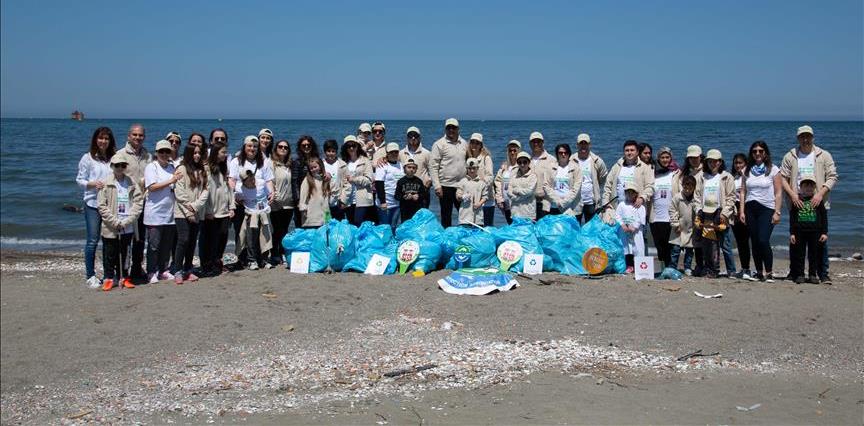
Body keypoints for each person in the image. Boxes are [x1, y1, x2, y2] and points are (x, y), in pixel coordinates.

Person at [779, 125, 838, 284]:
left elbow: (832, 176)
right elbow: (782, 178)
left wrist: (820, 194)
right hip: (797, 203)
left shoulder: (823, 155)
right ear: (798, 138)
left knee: (819, 242)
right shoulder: (790, 156)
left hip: (818, 203)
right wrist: (792, 195)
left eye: (808, 136)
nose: (805, 139)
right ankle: (794, 272)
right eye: (802, 137)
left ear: (813, 137)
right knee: (795, 242)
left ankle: (822, 273)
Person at [76, 126, 116, 288]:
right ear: (95, 140)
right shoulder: (87, 158)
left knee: (109, 240)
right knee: (92, 240)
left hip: (109, 204)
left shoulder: (114, 157)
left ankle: (108, 275)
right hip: (92, 203)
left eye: (106, 138)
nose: (103, 141)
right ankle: (90, 275)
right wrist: (92, 184)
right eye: (100, 138)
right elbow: (80, 180)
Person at [96, 154, 143, 291]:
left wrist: (128, 220)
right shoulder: (105, 183)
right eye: (117, 165)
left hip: (127, 225)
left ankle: (125, 277)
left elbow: (138, 202)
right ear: (112, 166)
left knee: (125, 253)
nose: (120, 168)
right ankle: (109, 278)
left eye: (123, 165)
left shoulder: (131, 182)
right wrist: (114, 221)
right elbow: (101, 205)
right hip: (111, 226)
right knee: (110, 253)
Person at [739, 141, 782, 283]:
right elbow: (743, 192)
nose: (757, 153)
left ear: (765, 153)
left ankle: (769, 272)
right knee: (755, 242)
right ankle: (759, 272)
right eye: (754, 151)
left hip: (767, 209)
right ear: (751, 154)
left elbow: (778, 192)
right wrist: (742, 211)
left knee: (763, 240)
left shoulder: (773, 169)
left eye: (760, 151)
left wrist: (777, 212)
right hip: (750, 208)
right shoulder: (746, 170)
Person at [229, 135, 275, 268]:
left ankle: (264, 259)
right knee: (248, 234)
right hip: (245, 204)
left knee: (264, 232)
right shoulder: (236, 162)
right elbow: (232, 180)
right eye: (249, 146)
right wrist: (233, 197)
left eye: (255, 146)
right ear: (244, 147)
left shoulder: (264, 162)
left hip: (262, 204)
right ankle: (249, 259)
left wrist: (271, 193)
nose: (252, 148)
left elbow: (268, 180)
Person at [114, 124, 151, 278]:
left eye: (140, 135)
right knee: (124, 239)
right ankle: (122, 271)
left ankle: (137, 267)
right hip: (126, 203)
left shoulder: (147, 155)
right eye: (135, 135)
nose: (137, 138)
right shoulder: (121, 154)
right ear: (129, 136)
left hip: (143, 202)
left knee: (140, 238)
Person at [694, 149, 735, 278]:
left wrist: (725, 214)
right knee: (709, 245)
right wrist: (698, 211)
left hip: (721, 214)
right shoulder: (702, 177)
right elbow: (697, 196)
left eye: (716, 161)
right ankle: (712, 270)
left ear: (720, 162)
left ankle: (731, 270)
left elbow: (731, 198)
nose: (713, 163)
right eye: (710, 161)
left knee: (725, 244)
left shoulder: (726, 177)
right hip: (706, 214)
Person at [171, 144, 209, 284]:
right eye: (194, 153)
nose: (197, 156)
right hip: (181, 212)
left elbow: (206, 190)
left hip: (196, 211)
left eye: (199, 153)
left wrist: (195, 207)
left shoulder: (203, 169)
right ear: (188, 154)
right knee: (184, 239)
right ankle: (177, 270)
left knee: (192, 241)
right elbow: (179, 193)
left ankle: (188, 269)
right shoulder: (181, 169)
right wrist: (188, 212)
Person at [144, 139, 181, 283]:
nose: (164, 154)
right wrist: (172, 181)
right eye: (161, 152)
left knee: (166, 245)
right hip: (154, 213)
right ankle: (151, 271)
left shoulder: (172, 167)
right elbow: (152, 187)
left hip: (170, 213)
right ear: (156, 153)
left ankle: (163, 270)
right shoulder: (151, 167)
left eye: (167, 151)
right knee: (154, 245)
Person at [200, 142, 234, 276]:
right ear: (215, 153)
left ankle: (217, 261)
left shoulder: (224, 168)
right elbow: (205, 191)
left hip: (224, 210)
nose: (225, 155)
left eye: (226, 152)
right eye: (223, 152)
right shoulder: (207, 169)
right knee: (210, 239)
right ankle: (207, 264)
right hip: (211, 211)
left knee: (222, 237)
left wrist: (232, 206)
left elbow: (228, 189)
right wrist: (207, 210)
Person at [788, 175, 829, 284]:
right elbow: (792, 217)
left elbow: (824, 216)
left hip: (815, 232)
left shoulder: (817, 201)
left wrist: (824, 232)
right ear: (800, 187)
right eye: (805, 185)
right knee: (799, 254)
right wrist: (792, 233)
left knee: (814, 254)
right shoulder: (797, 200)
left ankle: (812, 274)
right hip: (799, 232)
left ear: (814, 188)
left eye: (811, 186)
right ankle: (800, 274)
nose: (808, 188)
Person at [429, 118, 468, 227]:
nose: (451, 130)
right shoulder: (439, 144)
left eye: (453, 127)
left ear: (458, 129)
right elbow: (433, 166)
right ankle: (447, 238)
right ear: (445, 129)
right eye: (448, 127)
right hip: (445, 186)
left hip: (462, 186)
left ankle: (464, 237)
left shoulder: (464, 143)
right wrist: (437, 186)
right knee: (446, 216)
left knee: (465, 215)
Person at [235, 167, 273, 270]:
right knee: (251, 238)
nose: (252, 181)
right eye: (249, 180)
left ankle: (264, 260)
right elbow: (237, 199)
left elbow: (268, 194)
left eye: (253, 178)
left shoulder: (261, 182)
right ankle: (252, 261)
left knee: (265, 237)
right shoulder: (240, 189)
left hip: (263, 213)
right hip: (251, 214)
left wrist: (270, 199)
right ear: (244, 181)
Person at [602, 140, 655, 212]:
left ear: (637, 152)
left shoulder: (644, 168)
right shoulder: (617, 166)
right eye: (627, 150)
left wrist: (642, 198)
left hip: (636, 209)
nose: (629, 153)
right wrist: (605, 202)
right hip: (617, 209)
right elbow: (608, 185)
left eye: (632, 150)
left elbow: (650, 186)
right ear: (624, 152)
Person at [649, 146, 679, 268]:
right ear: (658, 158)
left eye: (667, 157)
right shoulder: (653, 173)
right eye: (662, 157)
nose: (665, 160)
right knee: (659, 245)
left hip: (671, 216)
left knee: (671, 244)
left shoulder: (676, 173)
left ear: (671, 158)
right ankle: (663, 268)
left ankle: (671, 267)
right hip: (655, 216)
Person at [569, 133, 607, 223]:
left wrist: (596, 186)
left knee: (591, 229)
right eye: (581, 143)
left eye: (585, 143)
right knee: (574, 227)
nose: (583, 146)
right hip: (575, 201)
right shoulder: (571, 159)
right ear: (577, 145)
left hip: (591, 201)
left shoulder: (597, 160)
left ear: (590, 145)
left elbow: (603, 176)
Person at [340, 135, 375, 226]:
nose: (351, 148)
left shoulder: (365, 161)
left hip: (362, 199)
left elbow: (369, 179)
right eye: (348, 146)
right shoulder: (343, 162)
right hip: (348, 200)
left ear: (357, 146)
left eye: (353, 145)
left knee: (358, 223)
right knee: (350, 225)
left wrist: (354, 179)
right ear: (345, 148)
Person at [269, 140, 294, 265]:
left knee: (284, 229)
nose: (283, 149)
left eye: (285, 147)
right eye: (280, 146)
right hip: (276, 203)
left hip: (289, 203)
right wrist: (275, 197)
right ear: (276, 148)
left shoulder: (290, 165)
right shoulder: (271, 163)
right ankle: (274, 253)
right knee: (276, 229)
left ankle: (283, 252)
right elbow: (270, 182)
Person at [730, 153, 754, 280]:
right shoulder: (732, 178)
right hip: (735, 209)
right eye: (736, 163)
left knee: (750, 240)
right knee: (740, 241)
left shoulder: (750, 176)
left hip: (747, 208)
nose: (738, 165)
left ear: (746, 163)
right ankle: (745, 268)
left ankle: (756, 269)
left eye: (740, 163)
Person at [615, 182, 647, 273]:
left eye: (632, 193)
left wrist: (635, 227)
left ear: (636, 194)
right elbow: (617, 215)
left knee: (637, 248)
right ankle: (629, 265)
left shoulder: (639, 206)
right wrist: (622, 225)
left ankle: (639, 266)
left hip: (636, 232)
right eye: (627, 192)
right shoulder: (622, 204)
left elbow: (641, 217)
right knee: (626, 248)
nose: (629, 195)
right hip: (624, 231)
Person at [543, 143, 581, 216]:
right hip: (553, 206)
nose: (563, 155)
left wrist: (564, 202)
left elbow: (576, 188)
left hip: (570, 207)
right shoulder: (550, 167)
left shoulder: (576, 168)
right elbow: (546, 186)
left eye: (565, 153)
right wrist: (557, 201)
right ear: (557, 154)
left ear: (569, 154)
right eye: (560, 153)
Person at [670, 175, 698, 274]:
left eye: (690, 188)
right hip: (679, 227)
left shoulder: (696, 198)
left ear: (694, 188)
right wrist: (675, 224)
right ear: (682, 186)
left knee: (690, 250)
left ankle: (687, 267)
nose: (687, 190)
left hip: (691, 228)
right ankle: (673, 266)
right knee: (675, 249)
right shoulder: (677, 197)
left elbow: (699, 210)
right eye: (685, 188)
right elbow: (672, 211)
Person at [466, 133, 495, 225]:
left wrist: (479, 185)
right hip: (473, 200)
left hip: (486, 199)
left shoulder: (486, 158)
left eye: (477, 143)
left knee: (487, 226)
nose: (474, 145)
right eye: (472, 142)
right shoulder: (468, 159)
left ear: (481, 145)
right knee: (474, 226)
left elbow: (490, 177)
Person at [398, 126, 432, 208]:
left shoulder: (427, 153)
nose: (413, 138)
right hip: (405, 192)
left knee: (422, 218)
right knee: (406, 218)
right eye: (410, 135)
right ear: (407, 138)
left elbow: (433, 170)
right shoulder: (400, 153)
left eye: (415, 136)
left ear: (420, 137)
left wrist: (429, 182)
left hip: (422, 191)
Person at [375, 143, 404, 232]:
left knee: (393, 226)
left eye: (396, 152)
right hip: (385, 204)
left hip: (397, 203)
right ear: (387, 153)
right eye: (391, 152)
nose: (394, 154)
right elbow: (379, 184)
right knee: (384, 228)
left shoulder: (401, 165)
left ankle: (391, 244)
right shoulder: (382, 166)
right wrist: (383, 202)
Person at [291, 136, 320, 228]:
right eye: (304, 145)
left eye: (308, 145)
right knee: (301, 226)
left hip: (315, 197)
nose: (306, 147)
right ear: (300, 147)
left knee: (316, 224)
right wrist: (298, 201)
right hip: (303, 198)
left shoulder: (317, 160)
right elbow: (294, 182)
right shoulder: (297, 162)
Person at [527, 131, 556, 219]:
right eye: (533, 142)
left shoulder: (551, 160)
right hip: (529, 203)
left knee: (544, 230)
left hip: (545, 203)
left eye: (538, 141)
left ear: (543, 143)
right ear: (530, 144)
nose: (536, 144)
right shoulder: (526, 160)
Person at [299, 157, 330, 229]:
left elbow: (331, 194)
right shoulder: (307, 180)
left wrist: (329, 178)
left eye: (315, 167)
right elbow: (303, 196)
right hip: (312, 218)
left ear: (321, 166)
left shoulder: (325, 179)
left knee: (325, 238)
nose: (313, 169)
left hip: (326, 216)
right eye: (311, 168)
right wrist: (303, 210)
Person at [494, 140, 521, 224]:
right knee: (510, 226)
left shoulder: (522, 165)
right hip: (506, 204)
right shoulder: (504, 167)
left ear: (519, 151)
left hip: (518, 205)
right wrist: (499, 199)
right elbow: (497, 182)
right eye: (510, 150)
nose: (512, 153)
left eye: (514, 150)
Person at [507, 152, 539, 221]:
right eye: (519, 162)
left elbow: (529, 191)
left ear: (529, 162)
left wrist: (516, 190)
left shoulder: (533, 176)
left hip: (528, 213)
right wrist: (514, 196)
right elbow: (509, 191)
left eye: (525, 162)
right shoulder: (513, 176)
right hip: (515, 212)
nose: (522, 164)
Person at [456, 158, 488, 226]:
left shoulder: (482, 183)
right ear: (467, 169)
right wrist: (462, 197)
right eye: (469, 168)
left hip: (478, 218)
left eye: (474, 168)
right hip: (465, 217)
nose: (472, 170)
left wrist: (479, 204)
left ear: (477, 168)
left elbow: (485, 197)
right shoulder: (463, 181)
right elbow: (458, 196)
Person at [322, 139, 347, 221]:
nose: (331, 153)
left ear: (336, 152)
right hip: (325, 202)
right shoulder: (321, 164)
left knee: (339, 226)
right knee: (327, 223)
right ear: (325, 152)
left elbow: (346, 184)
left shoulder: (342, 164)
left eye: (333, 151)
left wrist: (343, 199)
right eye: (328, 151)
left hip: (338, 202)